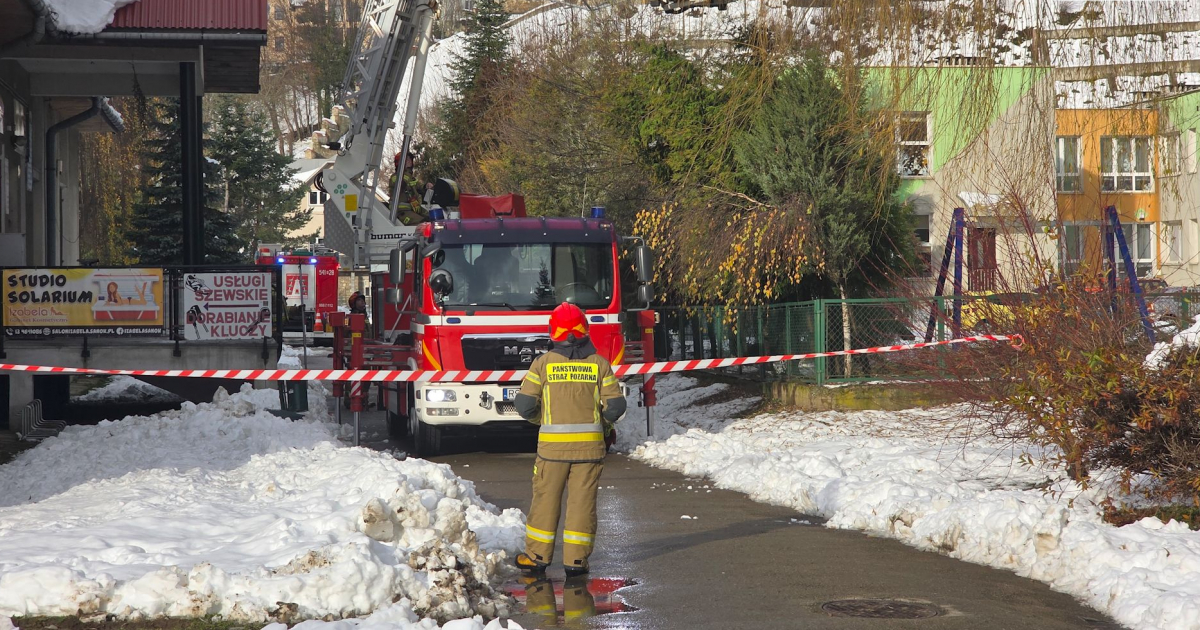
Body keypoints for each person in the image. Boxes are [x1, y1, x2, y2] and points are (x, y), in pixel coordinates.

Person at [513, 302, 626, 577]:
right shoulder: (599, 364)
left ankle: (537, 557)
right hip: (590, 451)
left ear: (554, 332)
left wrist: (544, 419)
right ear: (585, 330)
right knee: (582, 504)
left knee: (545, 501)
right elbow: (616, 407)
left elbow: (525, 405)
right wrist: (602, 422)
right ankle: (576, 562)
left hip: (552, 451)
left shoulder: (542, 364)